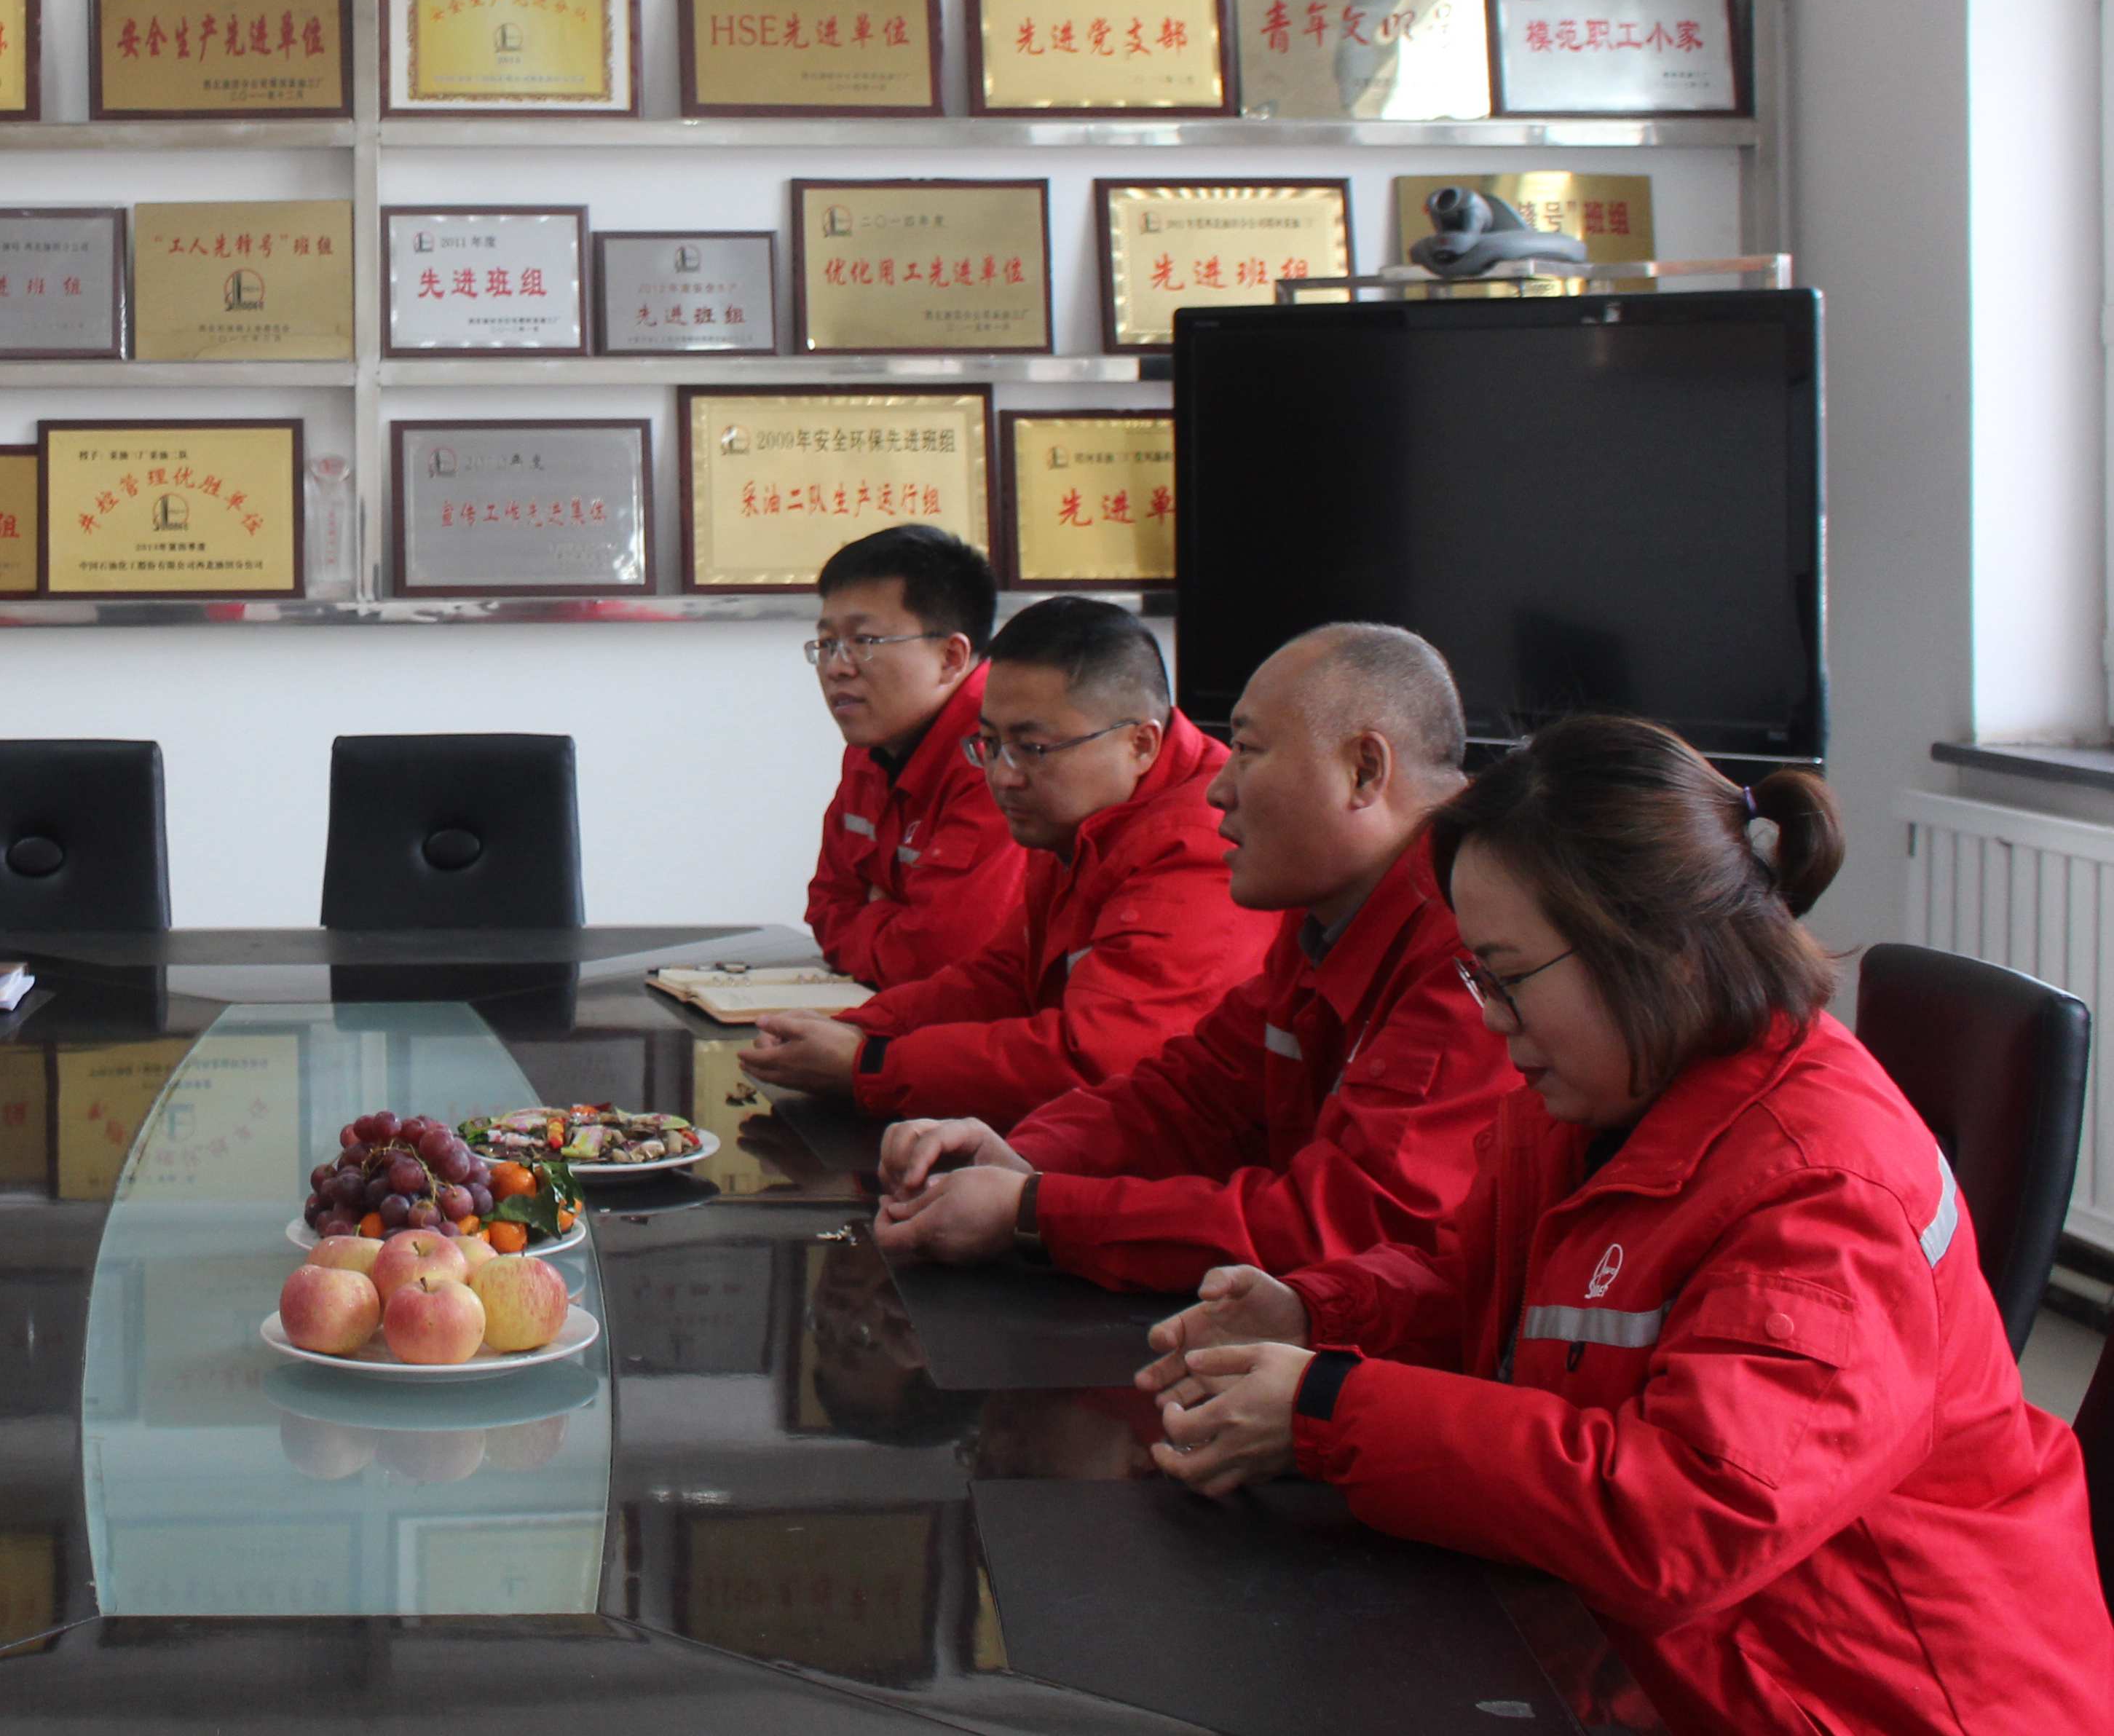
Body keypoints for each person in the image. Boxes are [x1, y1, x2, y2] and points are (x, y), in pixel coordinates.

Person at [1135, 717, 2114, 1731]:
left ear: (1666, 953)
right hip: (1697, 1659)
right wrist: (1319, 1318)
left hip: (1871, 1703)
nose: (1491, 1017)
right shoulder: (1602, 1095)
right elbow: (1494, 1301)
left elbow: (1687, 1521)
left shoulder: (1824, 1190)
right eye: (1478, 976)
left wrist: (1330, 1409)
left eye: (1510, 977)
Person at [873, 625, 1516, 1290]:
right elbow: (1197, 1096)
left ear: (1364, 771)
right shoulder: (1325, 914)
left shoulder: (1478, 950)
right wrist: (1023, 1157)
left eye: (1248, 751)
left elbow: (1349, 1227)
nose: (1219, 789)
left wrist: (1037, 1211)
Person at [742, 596, 1269, 1123]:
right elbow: (1008, 976)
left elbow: (1100, 1059)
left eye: (1032, 748)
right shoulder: (1077, 814)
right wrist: (864, 1027)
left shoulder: (1201, 843)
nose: (1003, 776)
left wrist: (871, 1065)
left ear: (1141, 744)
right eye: (990, 744)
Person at [800, 526, 1028, 987]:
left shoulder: (1003, 757)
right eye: (826, 644)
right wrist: (893, 920)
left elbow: (943, 956)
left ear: (951, 657)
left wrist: (873, 909)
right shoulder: (875, 743)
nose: (837, 667)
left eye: (865, 642)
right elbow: (825, 909)